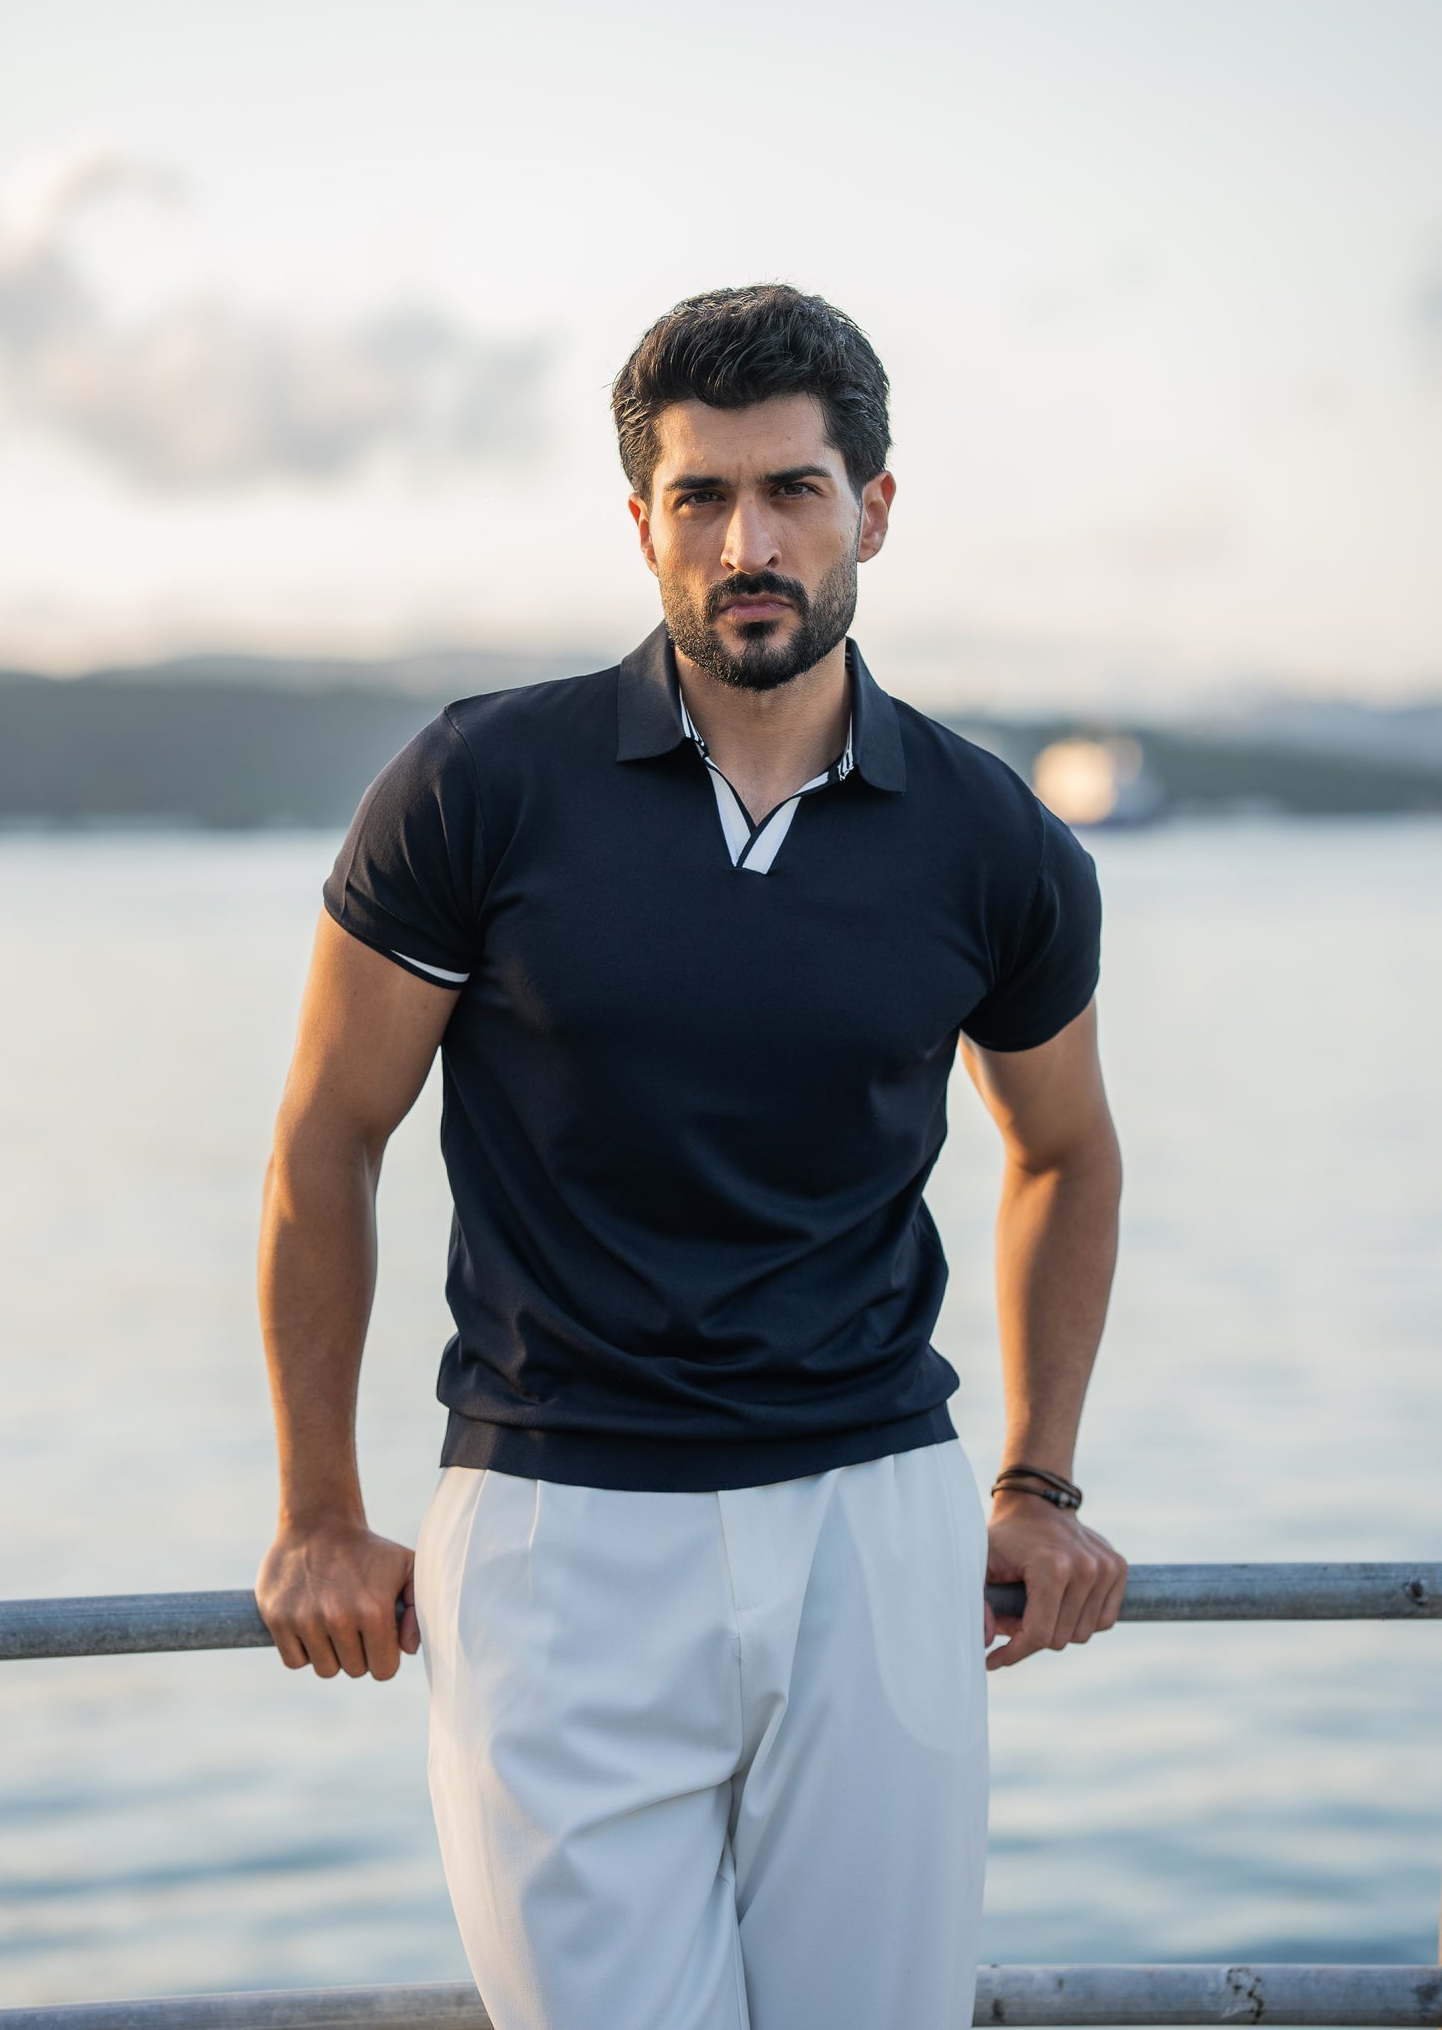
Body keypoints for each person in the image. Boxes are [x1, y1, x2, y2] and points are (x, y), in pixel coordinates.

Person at [255, 283, 1127, 2030]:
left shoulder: (991, 841)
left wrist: (1035, 1482)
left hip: (877, 1536)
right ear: (641, 524)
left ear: (871, 510)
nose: (749, 539)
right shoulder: (480, 786)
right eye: (701, 496)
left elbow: (1062, 1153)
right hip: (555, 1531)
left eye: (792, 491)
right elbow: (329, 1138)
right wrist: (320, 1512)